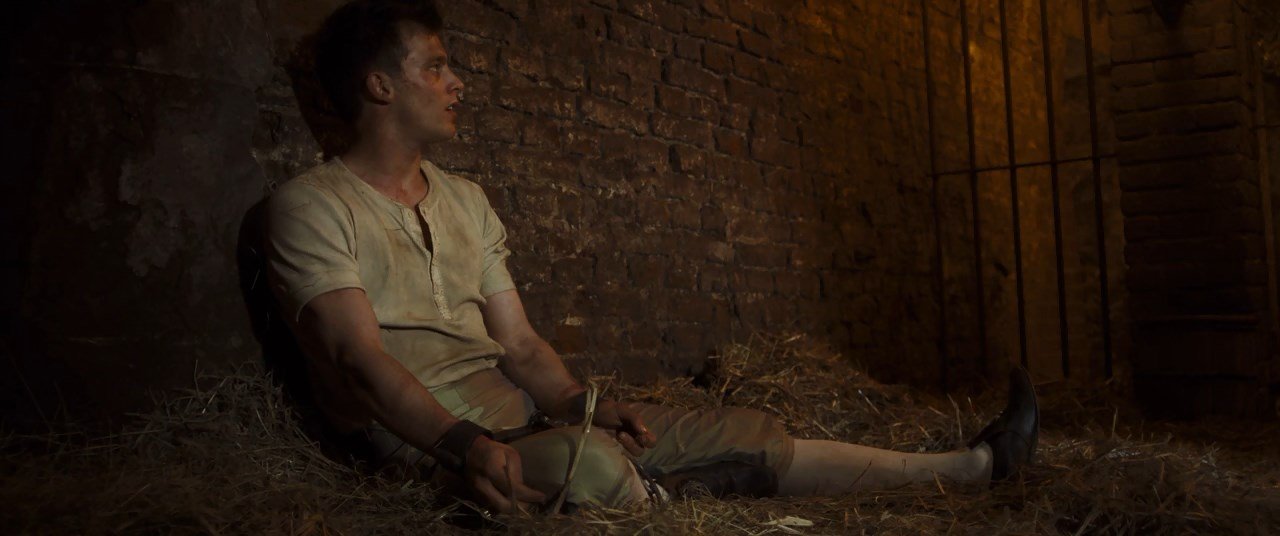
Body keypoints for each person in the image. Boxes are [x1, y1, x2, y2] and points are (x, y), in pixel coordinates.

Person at [264, 0, 1039, 513]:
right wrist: (469, 446)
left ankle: (968, 469)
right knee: (594, 466)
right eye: (435, 66)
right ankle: (665, 499)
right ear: (379, 86)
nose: (457, 82)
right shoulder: (311, 206)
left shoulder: (465, 200)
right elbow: (360, 362)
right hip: (427, 450)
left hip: (526, 423)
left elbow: (522, 346)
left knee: (749, 429)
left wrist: (583, 404)